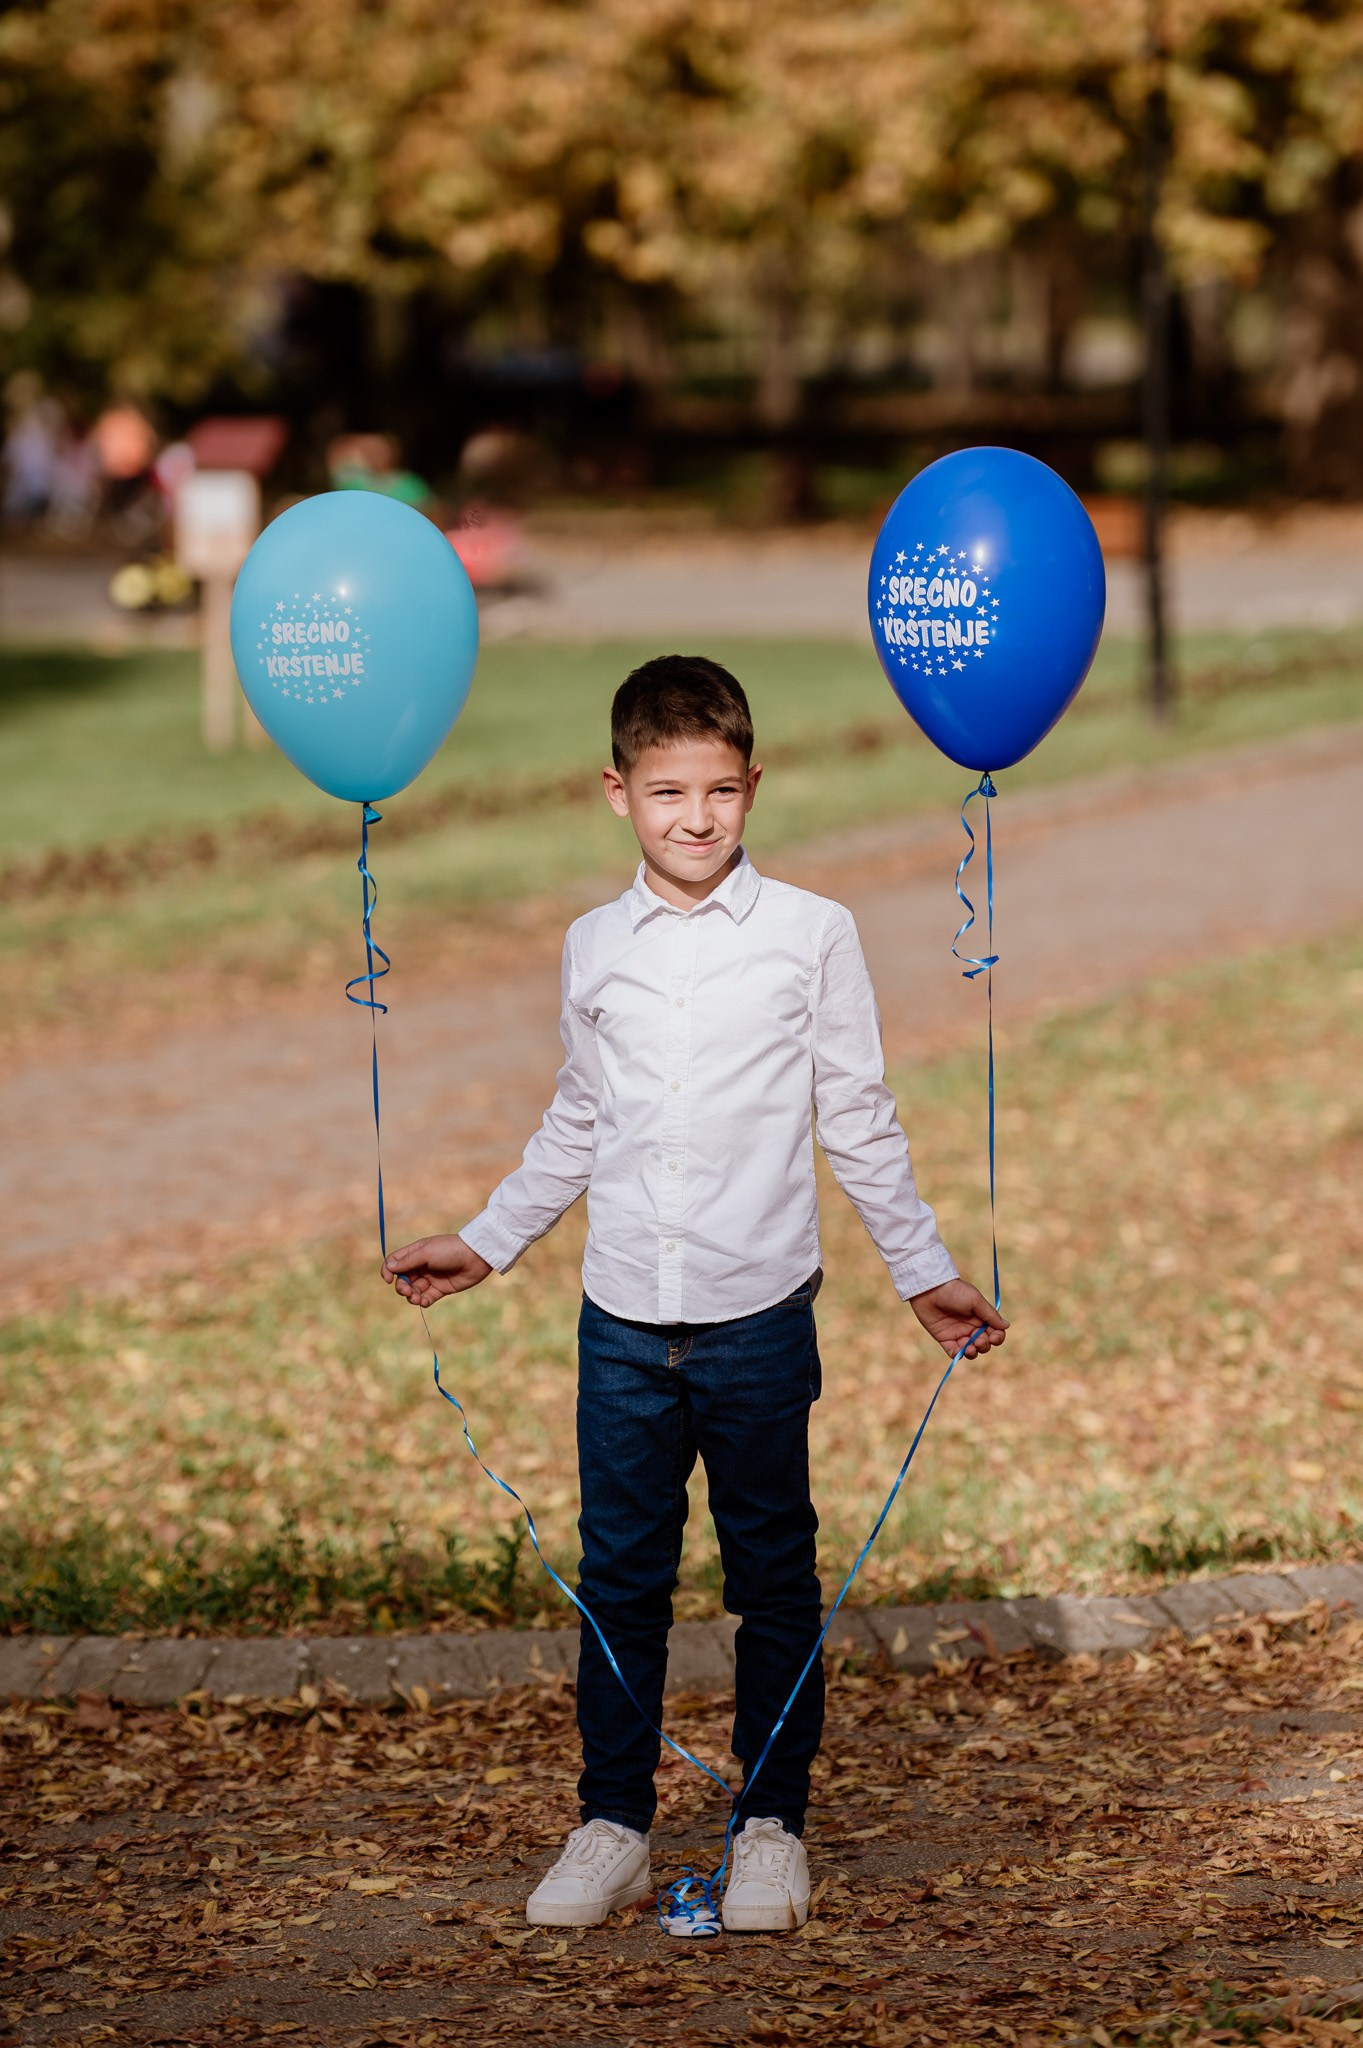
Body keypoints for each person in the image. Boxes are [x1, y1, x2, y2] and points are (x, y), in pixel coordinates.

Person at [381, 655, 1006, 1934]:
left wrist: (921, 1270)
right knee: (622, 1579)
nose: (697, 816)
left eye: (722, 788)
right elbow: (577, 1116)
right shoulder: (591, 945)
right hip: (620, 1327)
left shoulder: (810, 933)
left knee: (772, 1572)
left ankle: (771, 1823)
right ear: (615, 791)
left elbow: (858, 1118)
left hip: (759, 1320)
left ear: (753, 784)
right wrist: (489, 1239)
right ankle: (611, 1820)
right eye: (667, 790)